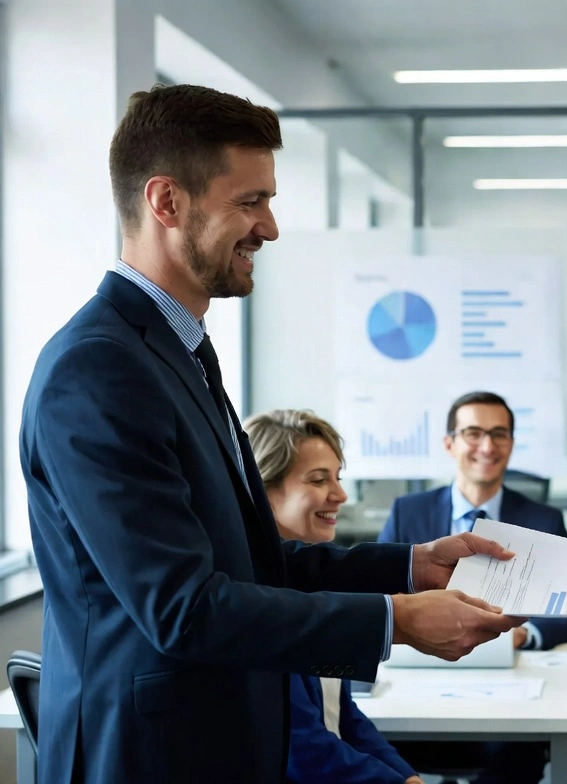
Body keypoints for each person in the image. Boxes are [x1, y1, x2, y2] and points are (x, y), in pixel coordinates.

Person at [19, 84, 521, 784]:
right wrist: (395, 620)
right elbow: (184, 607)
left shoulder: (180, 352)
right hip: (150, 758)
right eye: (249, 202)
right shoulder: (98, 368)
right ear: (167, 202)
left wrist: (410, 565)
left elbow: (251, 561)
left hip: (216, 744)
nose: (271, 228)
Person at [377, 390, 567, 784]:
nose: (487, 446)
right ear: (449, 443)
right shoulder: (409, 511)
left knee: (520, 749)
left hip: (513, 686)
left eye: (499, 434)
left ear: (511, 443)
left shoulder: (543, 519)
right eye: (473, 433)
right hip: (421, 682)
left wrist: (524, 635)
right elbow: (379, 594)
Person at [243, 409, 423, 784]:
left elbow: (342, 716)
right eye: (319, 479)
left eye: (338, 478)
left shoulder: (314, 588)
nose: (340, 495)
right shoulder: (256, 604)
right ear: (262, 490)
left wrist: (408, 778)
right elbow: (303, 750)